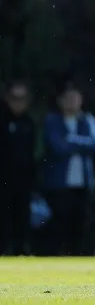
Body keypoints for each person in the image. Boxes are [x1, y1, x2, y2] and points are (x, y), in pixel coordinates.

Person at [43, 81, 95, 256]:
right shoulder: (53, 121)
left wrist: (70, 140)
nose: (71, 102)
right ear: (60, 101)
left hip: (82, 184)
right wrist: (79, 143)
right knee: (60, 225)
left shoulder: (87, 120)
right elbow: (57, 147)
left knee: (80, 226)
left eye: (75, 98)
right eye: (67, 98)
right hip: (59, 185)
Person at [0, 81, 39, 255]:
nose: (18, 102)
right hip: (2, 181)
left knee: (21, 218)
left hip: (23, 182)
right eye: (14, 98)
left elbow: (33, 154)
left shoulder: (29, 122)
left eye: (22, 98)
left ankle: (20, 252)